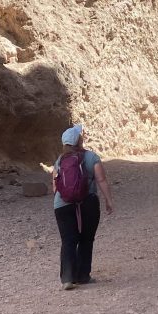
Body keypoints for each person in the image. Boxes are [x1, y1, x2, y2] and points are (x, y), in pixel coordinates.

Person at [51, 124, 114, 290]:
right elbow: (101, 180)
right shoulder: (92, 157)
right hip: (87, 202)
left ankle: (67, 279)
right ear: (80, 140)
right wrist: (108, 200)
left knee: (68, 240)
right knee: (86, 239)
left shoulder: (60, 160)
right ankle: (83, 276)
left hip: (62, 204)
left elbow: (55, 187)